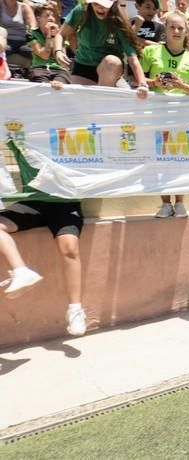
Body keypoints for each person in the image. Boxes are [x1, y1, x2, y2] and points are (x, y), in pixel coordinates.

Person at [1, 123, 87, 336]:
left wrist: (56, 88)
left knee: (69, 248)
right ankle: (21, 271)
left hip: (66, 203)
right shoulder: (18, 137)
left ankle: (75, 310)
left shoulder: (62, 136)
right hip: (33, 202)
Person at [140, 12, 189, 217]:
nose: (176, 32)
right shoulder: (151, 52)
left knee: (181, 159)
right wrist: (155, 83)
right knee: (160, 159)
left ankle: (180, 203)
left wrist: (180, 85)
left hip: (183, 117)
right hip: (157, 115)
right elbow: (138, 79)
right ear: (165, 29)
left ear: (186, 31)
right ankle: (165, 203)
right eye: (172, 27)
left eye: (180, 28)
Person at [56, 0, 148, 97]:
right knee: (78, 99)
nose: (100, 7)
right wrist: (58, 51)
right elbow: (61, 34)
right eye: (96, 3)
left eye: (104, 5)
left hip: (111, 71)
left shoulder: (118, 19)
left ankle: (104, 96)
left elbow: (132, 57)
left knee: (111, 62)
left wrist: (142, 84)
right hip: (83, 66)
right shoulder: (81, 11)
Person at [27, 4, 71, 84]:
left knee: (59, 85)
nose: (51, 18)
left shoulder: (61, 34)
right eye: (47, 16)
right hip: (39, 68)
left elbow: (60, 59)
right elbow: (44, 55)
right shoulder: (31, 33)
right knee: (43, 86)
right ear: (38, 19)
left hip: (60, 70)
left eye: (52, 16)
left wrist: (55, 36)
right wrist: (48, 35)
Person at [0, 0, 36, 65]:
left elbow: (33, 25)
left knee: (34, 53)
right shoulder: (1, 5)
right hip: (6, 40)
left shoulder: (24, 7)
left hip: (22, 41)